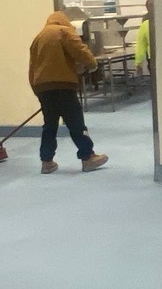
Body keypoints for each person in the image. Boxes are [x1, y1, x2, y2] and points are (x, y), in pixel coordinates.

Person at [29, 10, 109, 174]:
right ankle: (88, 157)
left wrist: (37, 90)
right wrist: (92, 64)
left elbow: (32, 68)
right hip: (63, 85)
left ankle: (47, 161)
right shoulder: (63, 31)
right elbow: (80, 50)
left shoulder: (38, 38)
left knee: (49, 125)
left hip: (43, 88)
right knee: (76, 122)